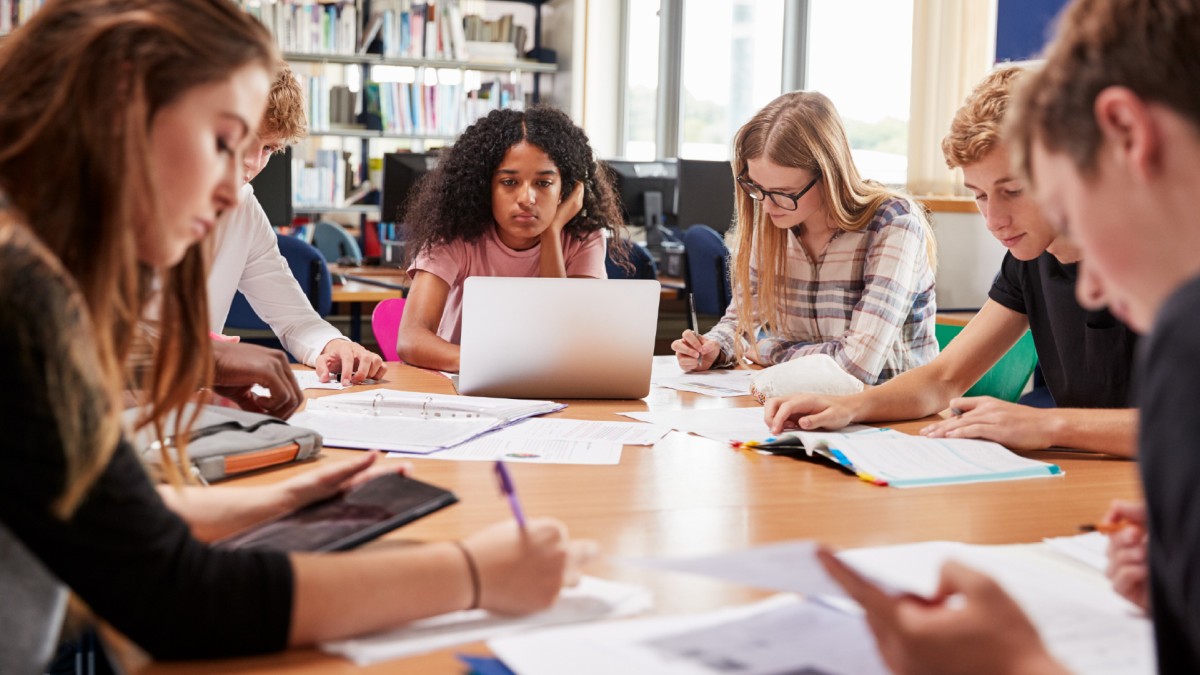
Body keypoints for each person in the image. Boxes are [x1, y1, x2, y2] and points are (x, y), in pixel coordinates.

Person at [0, 2, 593, 671]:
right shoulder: (19, 293)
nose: (235, 189)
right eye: (223, 141)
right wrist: (473, 574)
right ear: (119, 111)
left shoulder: (32, 266)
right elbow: (172, 596)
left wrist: (270, 502)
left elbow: (94, 513)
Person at [818, 0, 1200, 671]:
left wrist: (1019, 663)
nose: (1090, 289)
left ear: (1123, 132)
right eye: (976, 195)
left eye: (1032, 188)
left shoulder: (1182, 320)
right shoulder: (1040, 265)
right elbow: (941, 378)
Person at [763, 67, 1139, 457]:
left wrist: (1048, 425)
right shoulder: (1029, 258)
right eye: (979, 195)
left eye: (1012, 191)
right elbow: (943, 378)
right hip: (1094, 480)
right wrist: (851, 406)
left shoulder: (1170, 258)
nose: (994, 219)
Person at [671, 91, 938, 385]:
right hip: (800, 401)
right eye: (756, 187)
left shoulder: (893, 223)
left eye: (784, 193)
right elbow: (742, 324)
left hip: (891, 415)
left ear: (829, 174)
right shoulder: (775, 216)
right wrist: (716, 347)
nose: (767, 205)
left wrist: (769, 349)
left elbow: (855, 368)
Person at [397, 105, 627, 372]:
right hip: (463, 383)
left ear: (567, 189)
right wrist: (490, 363)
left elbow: (569, 337)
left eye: (544, 183)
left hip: (554, 385)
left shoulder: (583, 237)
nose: (527, 199)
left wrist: (552, 233)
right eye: (509, 182)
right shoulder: (455, 233)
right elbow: (411, 339)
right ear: (485, 186)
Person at [208, 64, 387, 387]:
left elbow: (293, 317)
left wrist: (332, 346)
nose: (253, 162)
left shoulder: (243, 208)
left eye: (268, 148)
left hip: (186, 401)